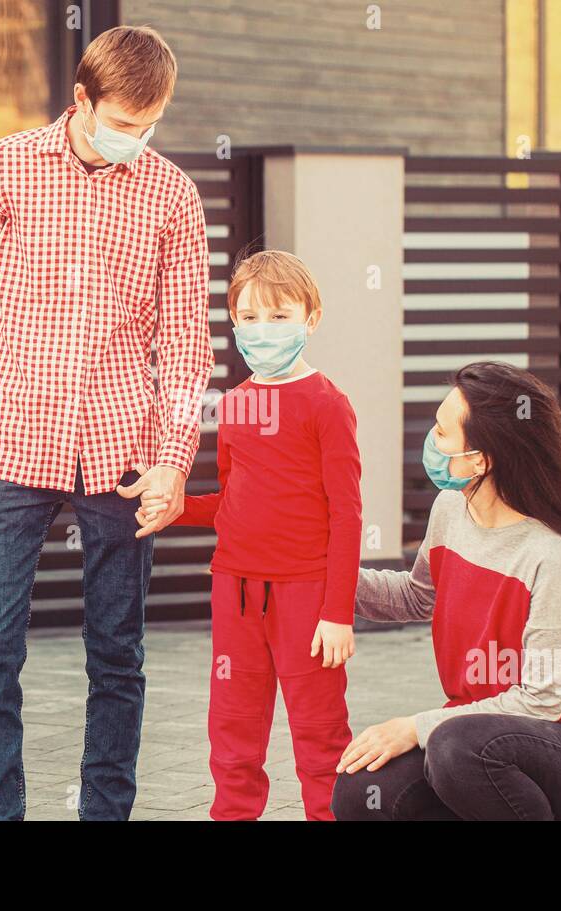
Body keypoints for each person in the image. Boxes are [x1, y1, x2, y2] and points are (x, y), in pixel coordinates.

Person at [0, 25, 212, 821]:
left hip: (123, 453)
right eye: (122, 123)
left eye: (150, 125)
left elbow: (187, 342)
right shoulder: (3, 167)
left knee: (118, 656)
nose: (136, 141)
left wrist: (176, 460)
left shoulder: (172, 194)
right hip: (9, 442)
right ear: (81, 101)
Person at [330, 361, 561, 821]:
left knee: (454, 746)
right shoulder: (451, 509)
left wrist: (414, 727)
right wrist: (324, 574)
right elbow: (417, 597)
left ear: (481, 459)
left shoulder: (555, 555)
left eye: (442, 434)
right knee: (361, 789)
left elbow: (543, 699)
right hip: (488, 746)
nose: (430, 442)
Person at [135, 251, 362, 820]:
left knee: (320, 734)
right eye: (250, 316)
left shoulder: (328, 406)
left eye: (280, 316)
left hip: (307, 598)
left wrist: (338, 612)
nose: (264, 329)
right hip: (234, 592)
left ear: (312, 318)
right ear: (233, 323)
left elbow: (348, 514)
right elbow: (232, 501)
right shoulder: (234, 404)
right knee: (233, 731)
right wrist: (172, 506)